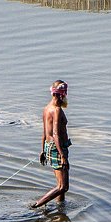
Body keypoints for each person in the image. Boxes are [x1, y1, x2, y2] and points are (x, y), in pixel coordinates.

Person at [32, 80, 71, 208]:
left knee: (60, 185)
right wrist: (62, 156)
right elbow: (55, 134)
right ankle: (36, 205)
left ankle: (61, 208)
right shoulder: (56, 110)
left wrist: (43, 150)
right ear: (61, 95)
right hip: (57, 148)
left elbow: (44, 132)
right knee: (63, 186)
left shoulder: (46, 108)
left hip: (50, 147)